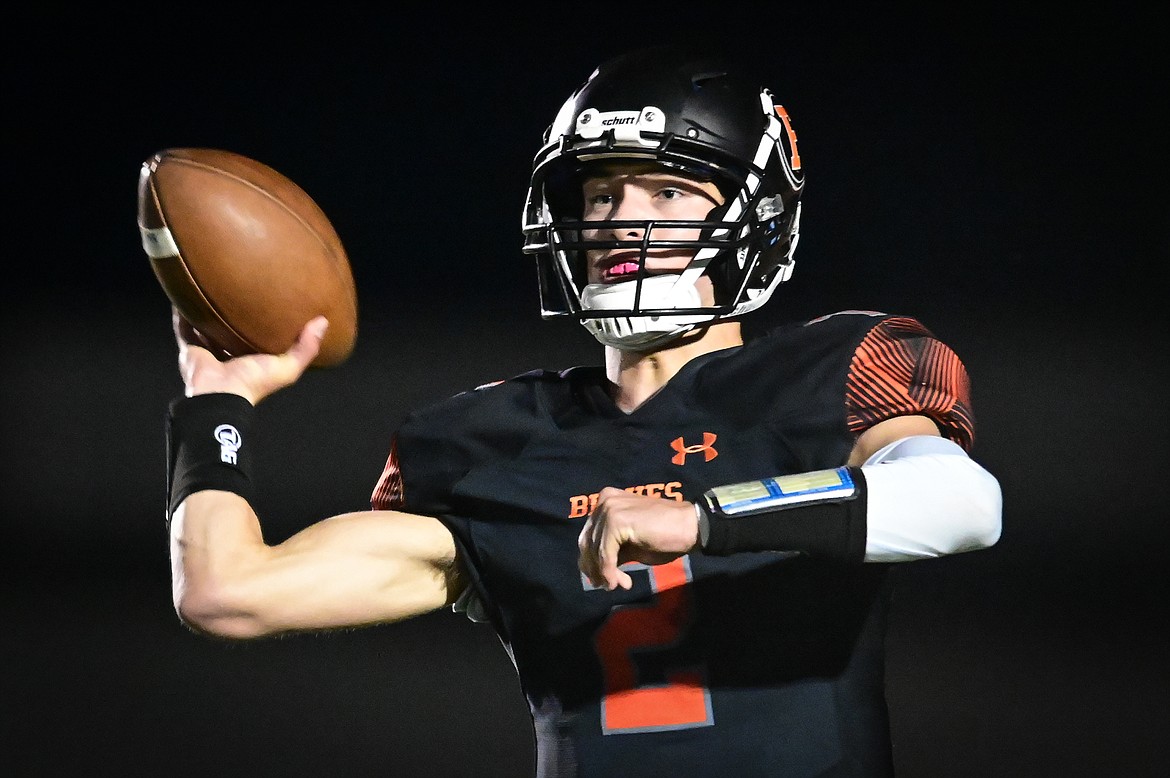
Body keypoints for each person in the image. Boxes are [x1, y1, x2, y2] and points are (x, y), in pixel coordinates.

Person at [162, 45, 1002, 777]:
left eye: (668, 192)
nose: (622, 222)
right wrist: (216, 404)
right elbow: (228, 591)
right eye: (601, 195)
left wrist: (708, 520)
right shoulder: (489, 442)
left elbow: (964, 505)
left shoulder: (838, 366)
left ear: (757, 218)